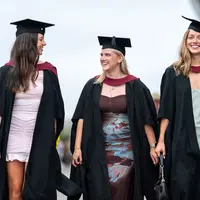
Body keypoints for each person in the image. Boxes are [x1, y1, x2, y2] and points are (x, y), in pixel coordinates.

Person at [68, 36, 159, 200]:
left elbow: (146, 120)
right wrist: (77, 148)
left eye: (107, 55)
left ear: (120, 58)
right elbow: (81, 118)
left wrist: (153, 146)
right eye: (101, 55)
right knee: (98, 192)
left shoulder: (135, 86)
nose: (103, 58)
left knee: (122, 194)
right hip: (97, 153)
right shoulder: (93, 85)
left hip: (126, 156)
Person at [0, 19, 81, 200]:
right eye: (41, 39)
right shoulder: (6, 72)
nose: (44, 43)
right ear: (29, 41)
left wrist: (50, 142)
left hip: (39, 139)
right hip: (13, 138)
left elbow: (56, 111)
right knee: (15, 191)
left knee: (36, 190)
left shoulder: (48, 73)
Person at [155, 16, 200, 200]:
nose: (195, 41)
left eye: (199, 37)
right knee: (183, 187)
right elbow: (166, 110)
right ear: (185, 41)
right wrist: (160, 140)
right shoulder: (174, 72)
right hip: (182, 139)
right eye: (191, 37)